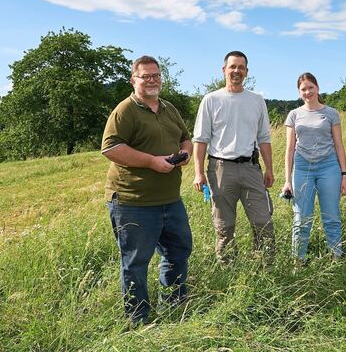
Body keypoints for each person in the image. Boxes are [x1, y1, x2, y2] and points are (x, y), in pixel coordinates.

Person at [101, 55, 193, 325]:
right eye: (146, 76)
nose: (152, 80)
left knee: (178, 251)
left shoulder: (168, 108)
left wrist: (185, 153)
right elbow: (111, 148)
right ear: (134, 80)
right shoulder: (125, 110)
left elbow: (185, 138)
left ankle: (174, 306)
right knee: (136, 262)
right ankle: (138, 321)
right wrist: (152, 162)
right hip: (133, 201)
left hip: (170, 199)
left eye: (156, 75)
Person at [193, 51, 275, 263]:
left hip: (250, 168)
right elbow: (200, 140)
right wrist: (198, 173)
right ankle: (228, 269)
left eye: (241, 67)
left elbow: (264, 138)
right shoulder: (211, 100)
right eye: (232, 67)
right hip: (220, 169)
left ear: (247, 71)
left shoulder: (257, 101)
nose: (236, 71)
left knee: (263, 223)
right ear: (224, 70)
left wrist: (269, 169)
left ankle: (264, 266)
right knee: (224, 226)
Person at [282, 73, 346, 261]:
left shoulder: (331, 113)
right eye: (303, 89)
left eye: (310, 87)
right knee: (301, 219)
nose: (307, 92)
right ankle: (298, 261)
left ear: (317, 88)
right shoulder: (294, 115)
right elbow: (289, 149)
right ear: (299, 92)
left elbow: (339, 144)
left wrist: (344, 174)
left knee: (332, 217)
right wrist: (288, 180)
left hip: (329, 167)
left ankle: (336, 258)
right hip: (302, 167)